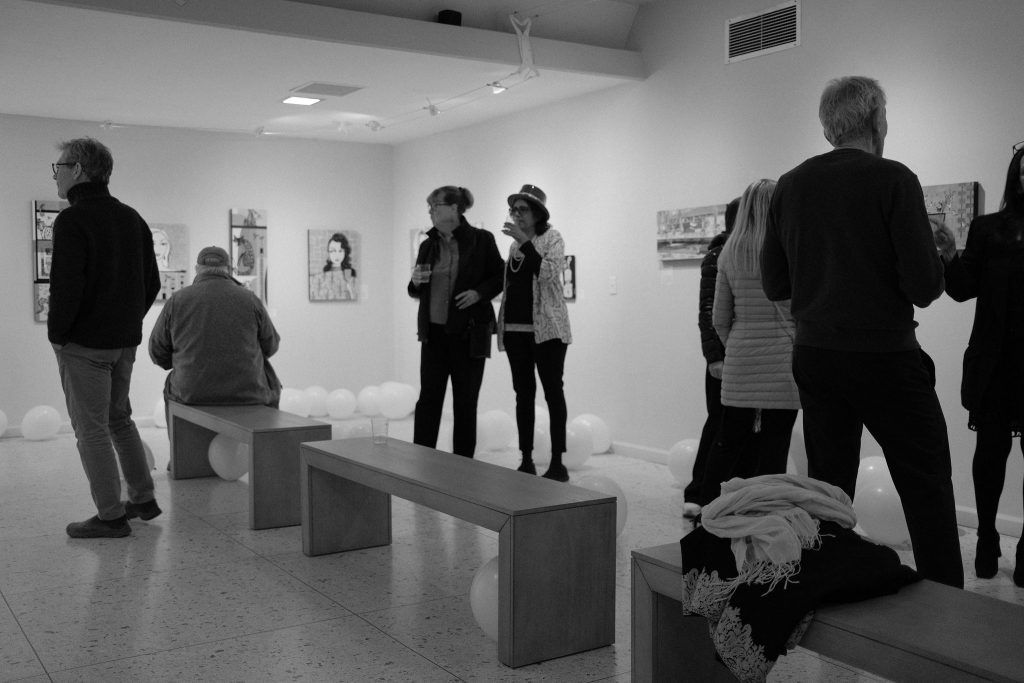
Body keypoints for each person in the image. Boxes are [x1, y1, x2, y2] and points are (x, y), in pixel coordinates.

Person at [761, 76, 964, 588]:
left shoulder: (790, 184)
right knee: (926, 483)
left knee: (829, 487)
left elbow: (774, 282)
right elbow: (923, 287)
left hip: (816, 354)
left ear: (829, 127)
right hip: (884, 355)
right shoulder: (893, 179)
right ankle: (947, 606)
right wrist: (938, 257)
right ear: (876, 119)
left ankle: (833, 586)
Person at [47, 137, 162, 538]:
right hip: (123, 344)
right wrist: (127, 321)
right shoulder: (132, 218)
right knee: (119, 419)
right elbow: (153, 283)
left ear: (78, 170)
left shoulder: (72, 220)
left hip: (84, 346)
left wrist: (59, 336)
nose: (56, 175)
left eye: (59, 167)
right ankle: (143, 499)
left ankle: (111, 516)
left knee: (91, 429)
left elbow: (66, 287)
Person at [941, 142, 1024, 584]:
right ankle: (988, 537)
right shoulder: (988, 229)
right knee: (990, 455)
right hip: (995, 362)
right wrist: (949, 254)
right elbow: (961, 288)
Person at [698, 179, 799, 505]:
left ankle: (709, 511)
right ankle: (764, 516)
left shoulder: (729, 253)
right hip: (783, 361)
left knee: (728, 440)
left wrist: (738, 345)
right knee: (775, 444)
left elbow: (719, 318)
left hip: (741, 360)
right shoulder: (789, 249)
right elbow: (798, 311)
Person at [409, 186, 503, 457]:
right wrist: (414, 284)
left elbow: (499, 276)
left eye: (435, 206)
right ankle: (422, 459)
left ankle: (463, 465)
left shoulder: (481, 240)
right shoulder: (428, 244)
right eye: (430, 207)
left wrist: (478, 293)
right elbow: (416, 288)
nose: (431, 211)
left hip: (469, 333)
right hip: (434, 334)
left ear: (454, 208)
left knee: (465, 402)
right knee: (428, 400)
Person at [149, 245, 282, 416]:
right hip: (248, 394)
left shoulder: (177, 300)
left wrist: (181, 363)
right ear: (228, 269)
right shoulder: (250, 299)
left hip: (190, 394)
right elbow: (271, 345)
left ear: (197, 269)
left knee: (173, 387)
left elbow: (156, 350)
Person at [497, 185, 573, 481]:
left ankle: (557, 462)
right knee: (523, 394)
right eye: (513, 210)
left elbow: (548, 273)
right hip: (516, 331)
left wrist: (525, 242)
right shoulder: (514, 245)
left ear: (537, 213)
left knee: (553, 392)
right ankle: (526, 459)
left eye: (522, 210)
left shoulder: (552, 238)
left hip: (549, 331)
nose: (516, 215)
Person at [683, 196, 740, 518]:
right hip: (722, 356)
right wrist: (715, 356)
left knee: (729, 425)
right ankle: (699, 491)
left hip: (742, 354)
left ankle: (717, 491)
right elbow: (709, 313)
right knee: (719, 422)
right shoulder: (718, 256)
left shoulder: (750, 255)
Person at [309, 232, 357, 301]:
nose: (336, 255)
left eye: (340, 251)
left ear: (345, 252)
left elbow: (352, 294)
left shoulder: (348, 271)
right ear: (329, 252)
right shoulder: (325, 271)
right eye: (333, 251)